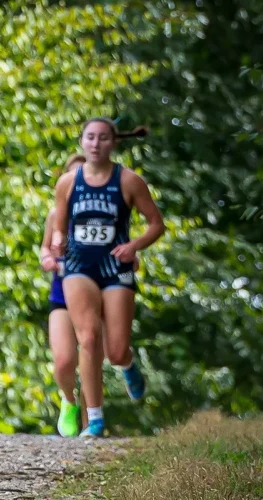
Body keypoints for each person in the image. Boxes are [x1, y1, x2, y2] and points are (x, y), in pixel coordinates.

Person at [51, 118, 165, 437]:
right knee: (87, 338)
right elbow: (60, 225)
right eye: (90, 137)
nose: (96, 144)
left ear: (113, 143)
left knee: (114, 350)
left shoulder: (129, 181)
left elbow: (156, 224)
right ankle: (96, 418)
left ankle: (127, 364)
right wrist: (58, 240)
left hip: (116, 267)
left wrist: (134, 246)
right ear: (82, 142)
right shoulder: (68, 183)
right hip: (79, 268)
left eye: (103, 138)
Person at [40, 153, 86, 437]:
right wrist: (47, 258)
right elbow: (45, 247)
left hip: (98, 291)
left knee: (92, 356)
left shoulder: (107, 211)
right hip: (62, 291)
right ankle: (69, 400)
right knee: (64, 360)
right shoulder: (56, 215)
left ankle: (93, 419)